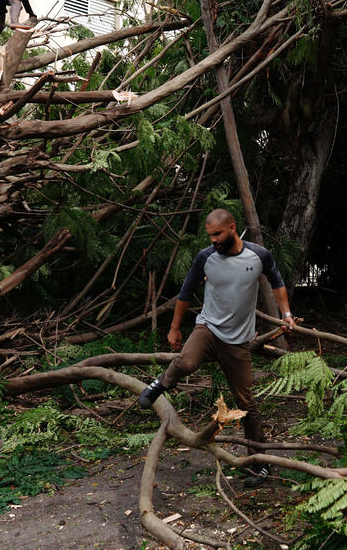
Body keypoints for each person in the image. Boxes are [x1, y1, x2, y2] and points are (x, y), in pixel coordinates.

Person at [137, 208, 296, 488]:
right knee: (186, 362)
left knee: (246, 403)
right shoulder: (205, 258)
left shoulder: (259, 255)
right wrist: (174, 327)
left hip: (238, 341)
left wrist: (286, 314)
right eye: (210, 236)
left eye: (218, 234)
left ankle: (259, 464)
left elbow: (277, 283)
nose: (214, 240)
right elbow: (186, 293)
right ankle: (160, 384)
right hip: (208, 328)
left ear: (232, 228)